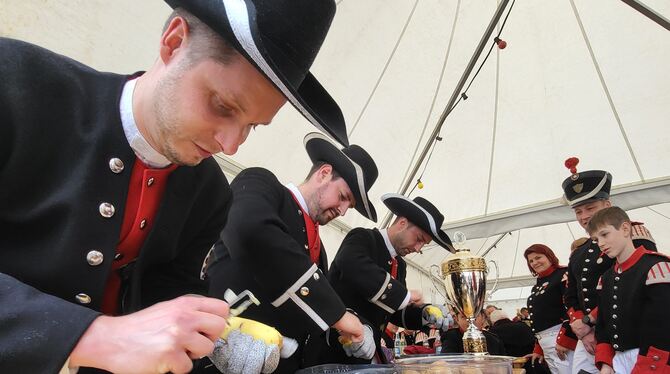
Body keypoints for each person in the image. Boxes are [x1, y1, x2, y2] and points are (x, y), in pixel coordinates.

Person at [0, 0, 349, 372]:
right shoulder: (18, 86)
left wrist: (212, 334)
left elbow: (166, 291)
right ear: (173, 41)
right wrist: (93, 336)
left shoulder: (209, 193)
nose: (230, 144)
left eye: (252, 126)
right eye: (222, 105)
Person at [205, 132, 379, 373]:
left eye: (349, 205)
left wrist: (358, 327)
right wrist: (338, 315)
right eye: (343, 197)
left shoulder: (321, 251)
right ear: (324, 173)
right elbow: (249, 230)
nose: (342, 211)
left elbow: (322, 304)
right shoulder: (262, 184)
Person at [318, 194, 452, 364]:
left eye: (423, 244)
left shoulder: (400, 265)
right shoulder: (363, 237)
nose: (418, 248)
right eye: (419, 239)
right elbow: (352, 264)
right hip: (333, 351)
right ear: (402, 223)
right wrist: (405, 296)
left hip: (366, 355)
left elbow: (395, 311)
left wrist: (424, 313)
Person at [561, 157, 657, 373]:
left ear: (607, 205)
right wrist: (581, 327)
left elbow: (632, 285)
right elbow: (571, 294)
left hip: (622, 334)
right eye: (578, 211)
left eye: (590, 208)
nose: (584, 216)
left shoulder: (632, 234)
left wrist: (590, 323)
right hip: (588, 337)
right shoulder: (579, 253)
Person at [585, 207, 669, 374]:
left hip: (652, 359)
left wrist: (646, 368)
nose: (600, 243)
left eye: (604, 234)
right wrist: (606, 363)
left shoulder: (656, 267)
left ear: (625, 229)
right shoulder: (606, 278)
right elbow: (603, 325)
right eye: (596, 239)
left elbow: (663, 327)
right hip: (618, 361)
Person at [524, 244, 577, 374]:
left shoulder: (562, 275)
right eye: (531, 261)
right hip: (546, 342)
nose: (535, 263)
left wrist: (566, 338)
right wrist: (539, 348)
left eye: (538, 257)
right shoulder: (538, 285)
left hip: (561, 337)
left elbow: (571, 307)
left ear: (549, 256)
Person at [440, 310, 506, 355]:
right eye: (464, 317)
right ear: (457, 319)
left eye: (476, 316)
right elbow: (447, 362)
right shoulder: (450, 337)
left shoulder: (494, 339)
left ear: (483, 317)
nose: (470, 320)